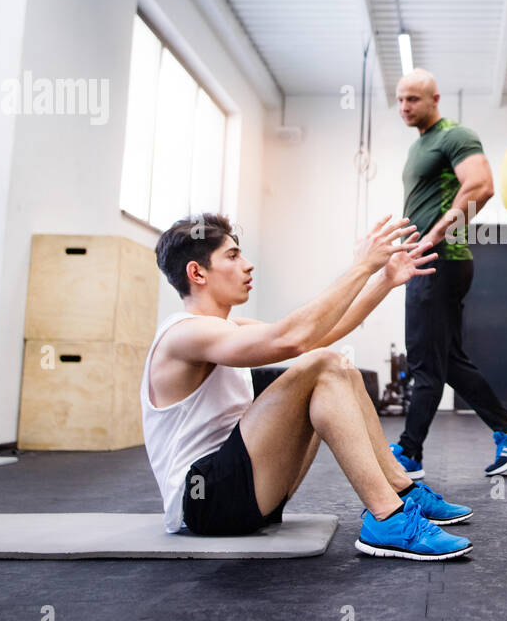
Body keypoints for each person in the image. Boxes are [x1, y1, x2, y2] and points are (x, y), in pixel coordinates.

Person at [141, 211, 474, 561]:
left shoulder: (227, 328)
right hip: (203, 501)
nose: (248, 265)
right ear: (197, 273)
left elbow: (320, 334)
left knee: (340, 369)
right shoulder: (184, 333)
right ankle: (387, 517)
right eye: (233, 256)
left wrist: (384, 280)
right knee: (324, 365)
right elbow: (295, 339)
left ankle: (401, 490)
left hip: (241, 492)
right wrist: (362, 267)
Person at [392, 68, 507, 478]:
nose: (404, 107)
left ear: (435, 99)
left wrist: (433, 235)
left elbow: (480, 186)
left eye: (413, 99)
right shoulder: (421, 145)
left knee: (423, 359)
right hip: (433, 260)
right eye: (400, 99)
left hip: (438, 260)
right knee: (448, 360)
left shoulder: (454, 136)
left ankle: (409, 453)